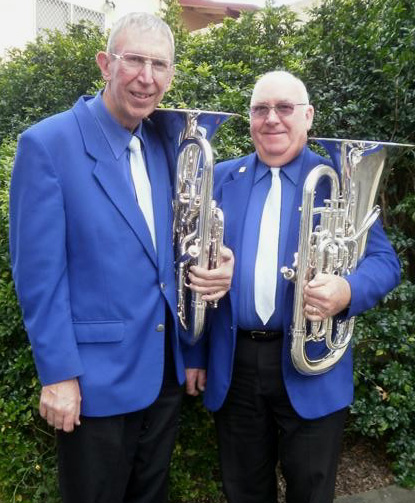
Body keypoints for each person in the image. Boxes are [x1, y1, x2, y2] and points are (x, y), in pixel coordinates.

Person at [9, 12, 233, 503]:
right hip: (94, 384)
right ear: (105, 64)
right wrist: (58, 375)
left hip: (163, 375)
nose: (146, 77)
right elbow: (39, 280)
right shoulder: (47, 145)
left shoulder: (163, 143)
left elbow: (179, 244)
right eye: (134, 60)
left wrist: (218, 261)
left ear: (171, 75)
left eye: (160, 65)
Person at [185, 70, 401, 503]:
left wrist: (346, 291)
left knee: (311, 492)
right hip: (234, 361)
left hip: (312, 363)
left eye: (284, 108)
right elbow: (189, 262)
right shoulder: (221, 178)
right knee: (244, 491)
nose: (272, 119)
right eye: (260, 109)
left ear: (308, 116)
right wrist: (194, 349)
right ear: (250, 118)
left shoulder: (337, 180)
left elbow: (384, 263)